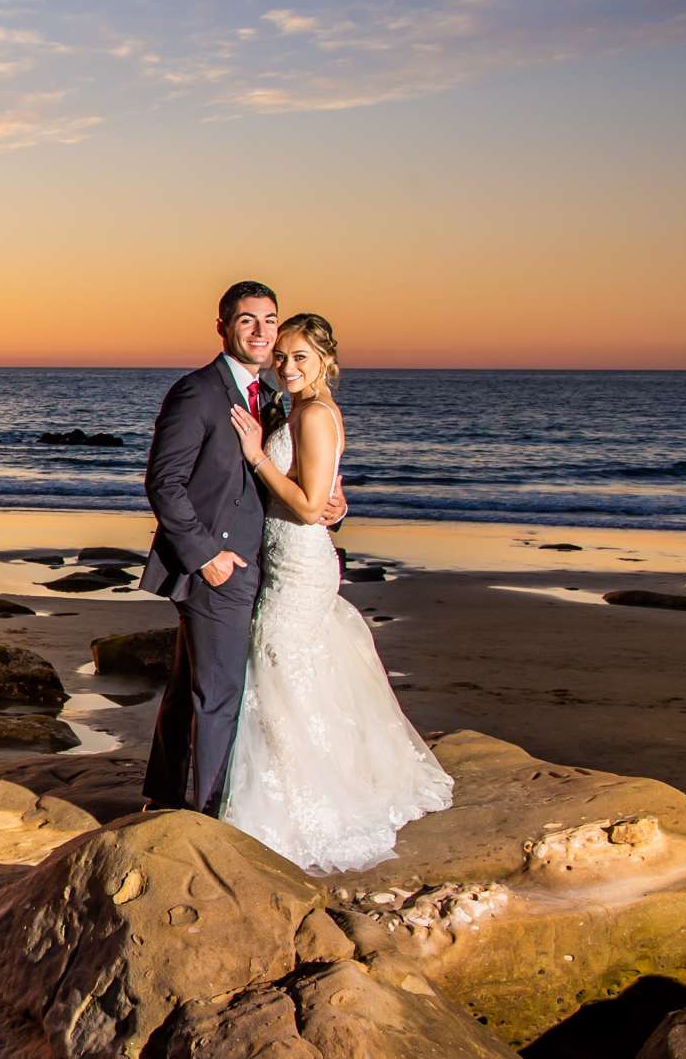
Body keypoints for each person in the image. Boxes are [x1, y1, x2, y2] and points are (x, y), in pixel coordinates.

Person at [217, 312, 452, 872]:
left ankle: (308, 803)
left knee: (278, 658)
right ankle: (303, 782)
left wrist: (255, 456)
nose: (287, 366)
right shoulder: (295, 410)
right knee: (292, 666)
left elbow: (304, 504)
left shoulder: (316, 414)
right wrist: (337, 503)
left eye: (300, 357)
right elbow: (328, 495)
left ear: (326, 360)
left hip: (300, 562)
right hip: (286, 556)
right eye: (282, 356)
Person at [137, 280, 334, 815]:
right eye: (248, 320)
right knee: (219, 695)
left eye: (270, 320)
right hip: (217, 567)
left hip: (259, 562)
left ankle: (163, 793)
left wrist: (326, 506)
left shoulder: (268, 397)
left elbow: (279, 480)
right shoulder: (198, 391)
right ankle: (209, 815)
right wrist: (206, 557)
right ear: (222, 326)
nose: (262, 331)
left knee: (188, 687)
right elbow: (164, 482)